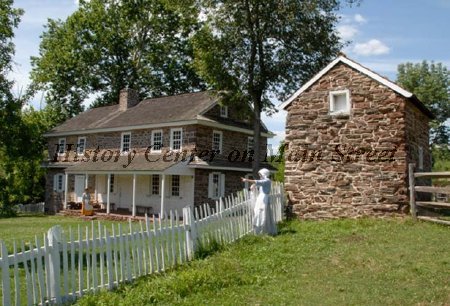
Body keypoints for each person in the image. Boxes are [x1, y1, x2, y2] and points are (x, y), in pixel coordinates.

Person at [241, 168, 277, 235]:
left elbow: (257, 182)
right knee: (259, 213)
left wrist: (246, 180)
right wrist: (253, 186)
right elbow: (257, 184)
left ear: (264, 174)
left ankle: (263, 230)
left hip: (264, 199)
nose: (260, 176)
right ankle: (262, 230)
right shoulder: (264, 181)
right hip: (261, 198)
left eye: (261, 175)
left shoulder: (267, 181)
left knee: (262, 214)